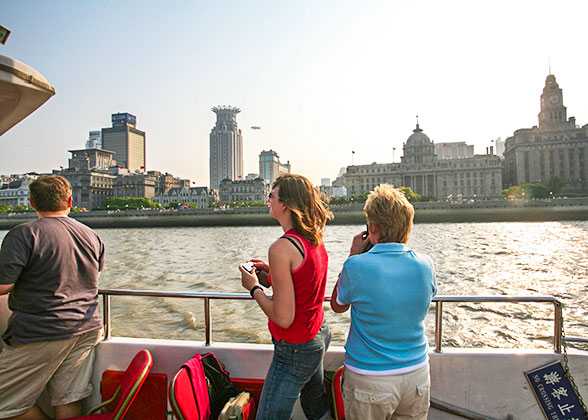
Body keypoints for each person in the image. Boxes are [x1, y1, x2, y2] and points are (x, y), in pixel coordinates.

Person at [0, 175, 104, 420]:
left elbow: (3, 286)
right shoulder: (91, 235)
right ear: (70, 200)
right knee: (67, 396)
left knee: (4, 404)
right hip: (86, 327)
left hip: (41, 330)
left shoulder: (23, 234)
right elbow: (94, 276)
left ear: (32, 203)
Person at [331, 184, 436, 420]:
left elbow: (337, 305)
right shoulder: (426, 263)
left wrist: (353, 255)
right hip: (417, 373)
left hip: (370, 378)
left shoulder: (356, 265)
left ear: (373, 229)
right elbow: (428, 296)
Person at [239, 174, 333, 420]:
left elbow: (283, 317)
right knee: (315, 408)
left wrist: (253, 287)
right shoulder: (314, 239)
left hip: (295, 348)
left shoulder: (280, 248)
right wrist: (271, 272)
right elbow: (305, 281)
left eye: (272, 195)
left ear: (285, 205)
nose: (268, 200)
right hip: (317, 334)